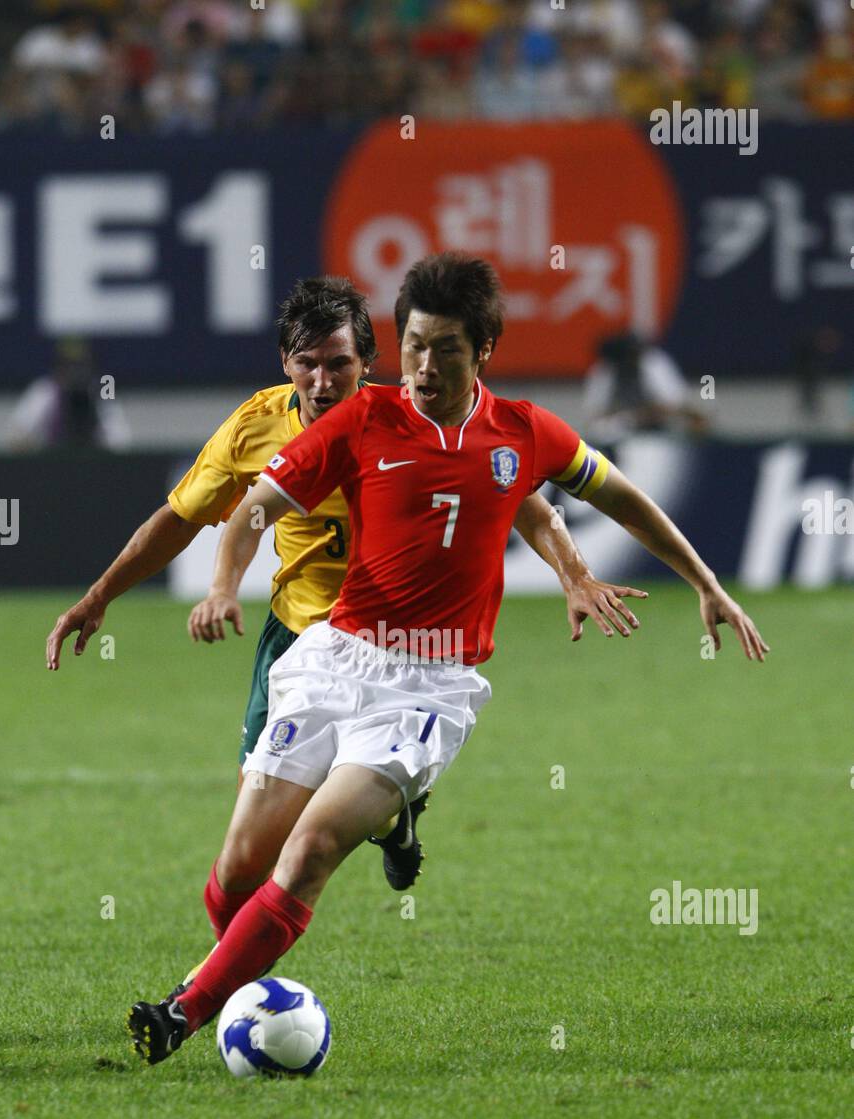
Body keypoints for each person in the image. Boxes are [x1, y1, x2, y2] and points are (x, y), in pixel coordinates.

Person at [126, 252, 767, 1065]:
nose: (425, 367)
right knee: (239, 867)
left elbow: (619, 495)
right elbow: (256, 506)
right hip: (334, 660)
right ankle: (252, 968)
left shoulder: (524, 433)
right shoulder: (362, 421)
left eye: (447, 350)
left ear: (485, 350)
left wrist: (705, 583)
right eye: (415, 346)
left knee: (315, 847)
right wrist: (223, 586)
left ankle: (183, 1010)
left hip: (428, 686)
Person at [46, 276, 642, 903]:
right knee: (254, 850)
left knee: (312, 840)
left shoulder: (407, 417)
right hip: (299, 642)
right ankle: (374, 843)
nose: (323, 382)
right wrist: (102, 595)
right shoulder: (253, 429)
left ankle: (249, 965)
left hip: (395, 652)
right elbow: (182, 518)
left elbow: (530, 504)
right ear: (286, 363)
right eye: (307, 364)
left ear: (367, 365)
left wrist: (575, 575)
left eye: (339, 365)